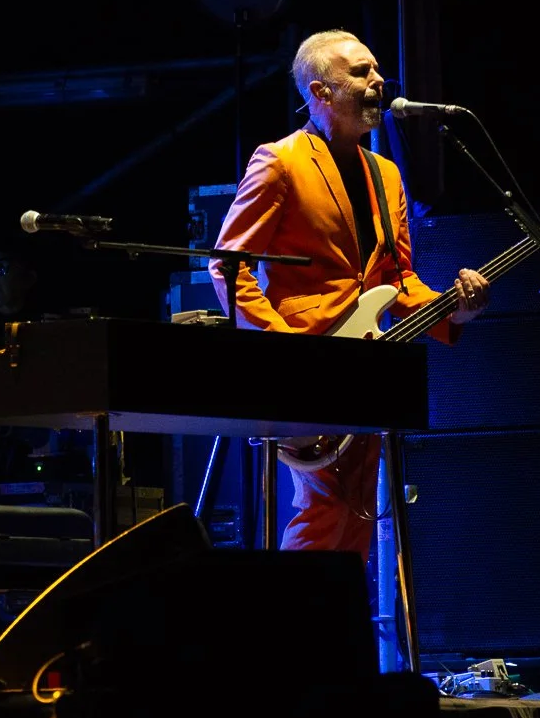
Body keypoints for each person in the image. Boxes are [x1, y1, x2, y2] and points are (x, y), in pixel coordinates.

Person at [209, 29, 490, 559]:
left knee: (356, 513)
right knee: (324, 512)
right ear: (320, 93)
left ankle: (335, 633)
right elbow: (228, 265)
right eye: (360, 72)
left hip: (367, 369)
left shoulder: (385, 174)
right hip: (305, 368)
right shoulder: (280, 161)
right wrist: (284, 350)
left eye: (377, 70)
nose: (378, 82)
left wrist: (455, 308)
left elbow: (397, 281)